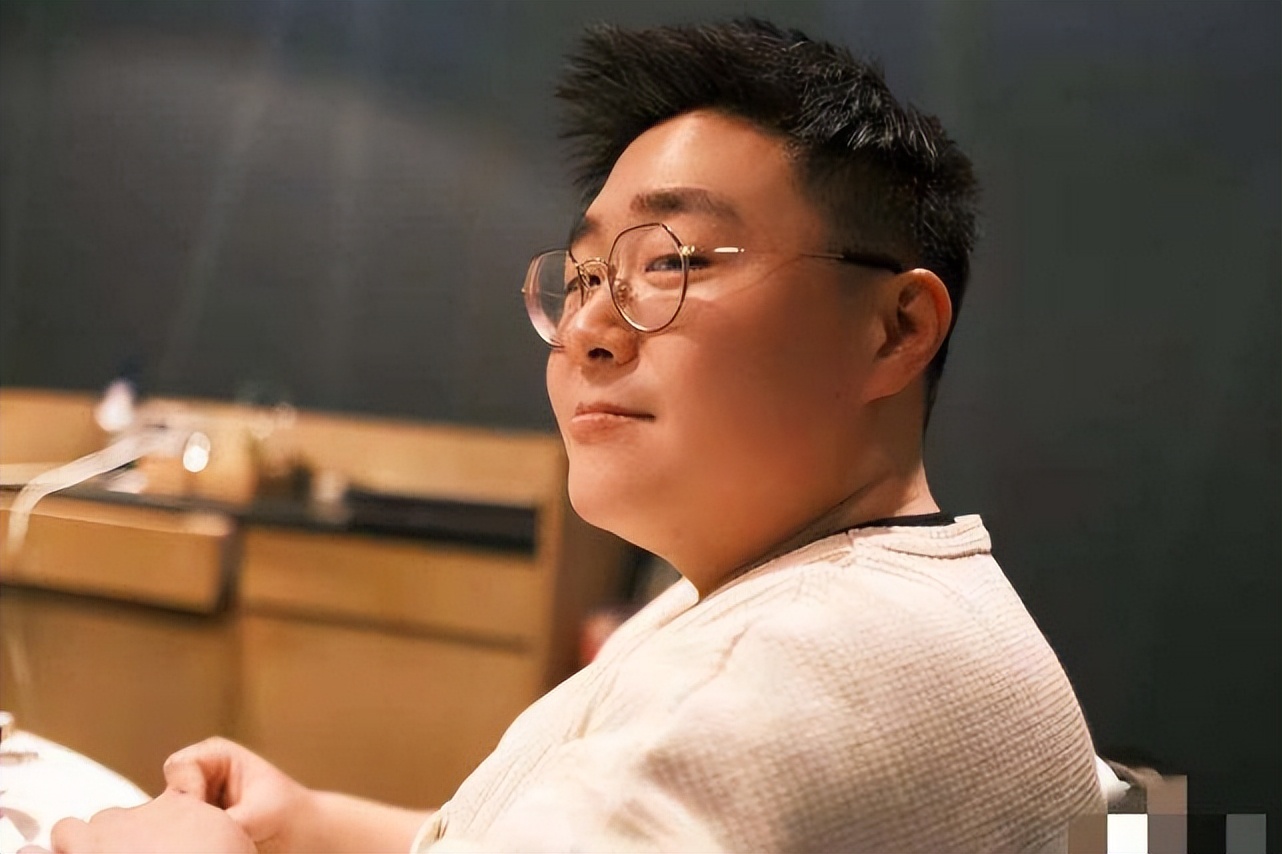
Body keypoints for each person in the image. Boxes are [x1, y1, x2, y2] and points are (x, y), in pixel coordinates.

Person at [45, 18, 1105, 854]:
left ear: (894, 329)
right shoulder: (821, 597)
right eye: (588, 274)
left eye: (671, 261)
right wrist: (315, 820)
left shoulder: (792, 664)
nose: (590, 327)